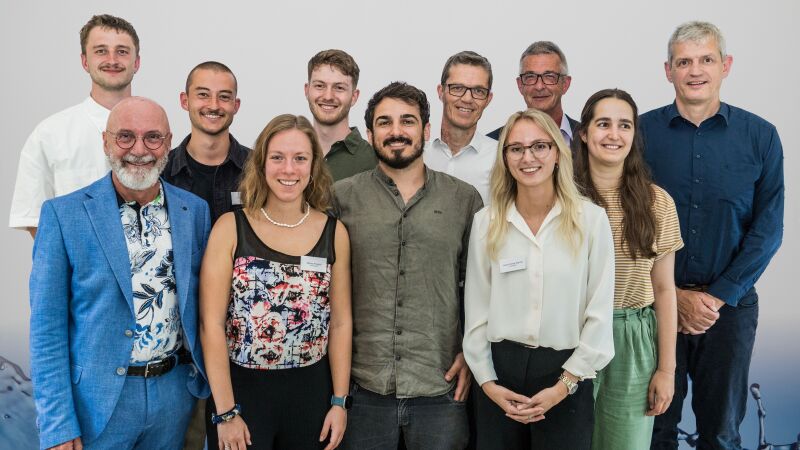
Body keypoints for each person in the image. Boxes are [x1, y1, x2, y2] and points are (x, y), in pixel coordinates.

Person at [29, 97, 210, 450]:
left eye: (152, 138)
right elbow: (46, 329)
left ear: (169, 142)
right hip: (96, 403)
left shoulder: (194, 211)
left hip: (174, 397)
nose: (139, 150)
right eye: (125, 136)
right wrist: (57, 424)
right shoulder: (63, 215)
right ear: (106, 141)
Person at [641, 21, 784, 450]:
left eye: (706, 60)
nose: (695, 70)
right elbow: (626, 223)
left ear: (726, 66)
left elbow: (768, 227)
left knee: (721, 433)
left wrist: (715, 297)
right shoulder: (640, 135)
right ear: (668, 71)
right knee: (653, 428)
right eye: (684, 62)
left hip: (730, 312)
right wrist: (671, 297)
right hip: (652, 307)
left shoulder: (761, 136)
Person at [334, 82, 483, 450]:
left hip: (440, 385)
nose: (396, 131)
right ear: (370, 134)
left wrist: (471, 351)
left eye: (407, 121)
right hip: (363, 387)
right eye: (384, 123)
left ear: (426, 130)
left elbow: (481, 287)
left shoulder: (464, 199)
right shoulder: (341, 197)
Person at [463, 108, 614, 450]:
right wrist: (487, 384)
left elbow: (600, 312)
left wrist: (564, 385)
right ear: (505, 158)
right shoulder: (487, 223)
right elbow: (476, 312)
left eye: (539, 146)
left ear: (558, 154)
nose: (527, 157)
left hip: (566, 373)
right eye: (516, 148)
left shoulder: (590, 221)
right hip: (499, 375)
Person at [200, 114, 352, 450]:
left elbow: (340, 323)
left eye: (300, 158)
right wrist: (225, 412)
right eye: (278, 157)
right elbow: (210, 325)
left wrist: (339, 402)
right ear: (261, 163)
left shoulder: (333, 232)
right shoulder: (230, 227)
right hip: (242, 396)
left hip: (312, 395)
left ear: (313, 166)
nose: (289, 169)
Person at [573, 89, 683, 449]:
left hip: (632, 338)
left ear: (634, 136)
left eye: (624, 126)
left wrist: (666, 370)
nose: (613, 135)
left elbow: (665, 290)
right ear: (585, 133)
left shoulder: (657, 202)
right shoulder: (563, 197)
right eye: (603, 124)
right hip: (571, 334)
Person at [10, 14, 140, 238]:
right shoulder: (50, 134)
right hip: (79, 271)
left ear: (136, 62)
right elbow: (35, 220)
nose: (112, 59)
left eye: (122, 51)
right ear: (84, 61)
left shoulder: (155, 133)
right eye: (101, 51)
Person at [164, 61, 250, 223]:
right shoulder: (162, 172)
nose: (213, 105)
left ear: (235, 106)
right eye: (203, 95)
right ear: (185, 100)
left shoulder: (258, 168)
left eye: (224, 97)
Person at [424, 50, 497, 205]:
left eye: (478, 91)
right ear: (441, 92)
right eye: (457, 88)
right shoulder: (419, 155)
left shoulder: (501, 159)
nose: (467, 98)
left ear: (488, 99)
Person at [305, 49, 377, 181]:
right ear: (307, 90)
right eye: (320, 86)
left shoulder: (374, 162)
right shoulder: (287, 154)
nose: (328, 96)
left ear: (354, 96)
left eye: (339, 88)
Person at [487, 42, 578, 144]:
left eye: (549, 76)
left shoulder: (588, 138)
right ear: (520, 85)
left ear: (565, 84)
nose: (539, 86)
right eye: (530, 77)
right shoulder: (493, 143)